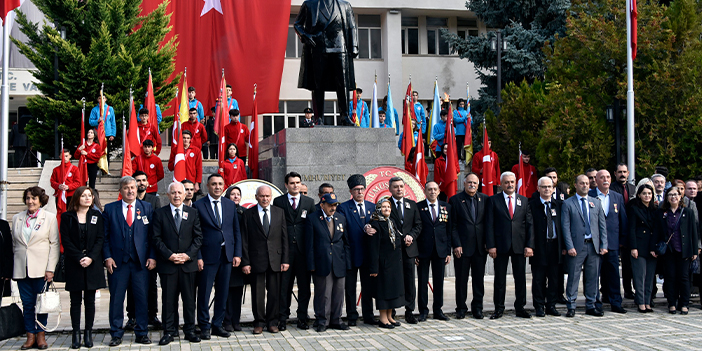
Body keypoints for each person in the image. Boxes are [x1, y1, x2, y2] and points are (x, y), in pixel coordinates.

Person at [102, 176, 156, 346]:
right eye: (126, 188)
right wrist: (107, 257)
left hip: (141, 263)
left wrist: (152, 256)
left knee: (141, 298)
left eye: (133, 187)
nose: (131, 190)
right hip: (118, 263)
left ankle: (141, 332)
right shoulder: (110, 209)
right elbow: (104, 237)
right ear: (121, 190)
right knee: (117, 299)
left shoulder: (146, 207)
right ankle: (116, 333)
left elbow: (153, 236)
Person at [151, 182, 202, 345]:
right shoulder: (159, 214)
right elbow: (156, 239)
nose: (177, 195)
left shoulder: (193, 213)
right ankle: (169, 331)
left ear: (185, 194)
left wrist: (187, 255)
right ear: (168, 195)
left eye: (180, 192)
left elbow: (198, 238)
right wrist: (170, 255)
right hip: (168, 265)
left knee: (189, 300)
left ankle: (189, 331)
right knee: (168, 300)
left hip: (188, 265)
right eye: (173, 193)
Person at [193, 174, 242, 339]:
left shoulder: (229, 204)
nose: (217, 187)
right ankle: (204, 326)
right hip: (207, 257)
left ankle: (217, 325)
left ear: (224, 186)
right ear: (208, 186)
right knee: (205, 293)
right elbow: (195, 234)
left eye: (220, 184)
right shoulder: (198, 205)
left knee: (223, 293)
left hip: (227, 255)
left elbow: (235, 231)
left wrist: (237, 253)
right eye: (214, 184)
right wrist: (198, 256)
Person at [294, 0, 357, 126]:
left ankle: (345, 116)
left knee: (342, 83)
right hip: (318, 46)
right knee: (318, 84)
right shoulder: (309, 4)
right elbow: (297, 25)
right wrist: (305, 35)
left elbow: (351, 26)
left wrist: (354, 46)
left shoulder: (345, 5)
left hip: (340, 46)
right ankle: (319, 118)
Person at [12, 186, 59, 350]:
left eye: (33, 198)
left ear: (40, 201)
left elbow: (54, 244)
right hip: (21, 267)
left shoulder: (49, 218)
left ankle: (41, 335)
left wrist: (50, 268)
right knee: (27, 303)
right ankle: (29, 335)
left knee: (41, 304)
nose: (30, 201)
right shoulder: (17, 218)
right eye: (28, 198)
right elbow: (14, 244)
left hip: (41, 268)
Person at [60, 186, 105, 348]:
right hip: (75, 262)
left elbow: (100, 239)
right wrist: (80, 257)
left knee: (90, 300)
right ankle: (76, 334)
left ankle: (88, 333)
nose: (87, 198)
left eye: (90, 195)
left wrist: (91, 257)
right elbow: (66, 240)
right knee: (75, 301)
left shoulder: (97, 216)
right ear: (77, 198)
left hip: (92, 263)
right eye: (84, 195)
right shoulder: (67, 217)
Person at [241, 185, 289, 334]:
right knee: (257, 294)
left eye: (267, 196)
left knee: (274, 293)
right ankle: (259, 322)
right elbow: (244, 240)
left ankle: (272, 322)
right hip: (256, 260)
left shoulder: (279, 212)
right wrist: (246, 262)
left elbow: (284, 238)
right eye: (262, 196)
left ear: (271, 197)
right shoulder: (248, 214)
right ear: (256, 197)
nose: (265, 199)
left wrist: (285, 260)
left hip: (275, 259)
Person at [486, 172, 533, 319]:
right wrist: (491, 245)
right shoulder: (493, 200)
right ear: (501, 184)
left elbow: (529, 225)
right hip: (500, 246)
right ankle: (498, 309)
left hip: (519, 246)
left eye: (512, 182)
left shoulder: (524, 201)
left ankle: (520, 308)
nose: (510, 185)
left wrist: (529, 245)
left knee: (520, 279)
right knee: (500, 279)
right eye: (506, 182)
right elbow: (489, 225)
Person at [273, 172, 315, 331]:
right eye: (292, 183)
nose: (295, 185)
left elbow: (312, 228)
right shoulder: (278, 202)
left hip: (303, 253)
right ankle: (282, 318)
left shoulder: (309, 202)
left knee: (304, 288)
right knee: (284, 287)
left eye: (297, 182)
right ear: (286, 185)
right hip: (285, 252)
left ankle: (302, 318)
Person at [562, 174, 608, 317]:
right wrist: (569, 246)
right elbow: (565, 227)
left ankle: (591, 305)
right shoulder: (568, 203)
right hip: (577, 247)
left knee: (593, 277)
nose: (585, 186)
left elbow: (602, 226)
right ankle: (571, 305)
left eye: (587, 183)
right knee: (573, 276)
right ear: (576, 185)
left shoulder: (596, 203)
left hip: (593, 246)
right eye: (582, 183)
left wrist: (603, 244)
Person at [306, 193, 351, 332]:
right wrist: (311, 264)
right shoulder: (312, 219)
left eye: (335, 204)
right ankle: (322, 321)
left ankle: (336, 320)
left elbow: (346, 242)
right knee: (323, 294)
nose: (333, 208)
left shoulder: (341, 218)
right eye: (330, 205)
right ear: (322, 205)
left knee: (338, 293)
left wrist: (347, 263)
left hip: (339, 262)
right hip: (322, 262)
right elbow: (309, 245)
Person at [336, 174, 376, 326]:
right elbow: (343, 232)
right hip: (351, 253)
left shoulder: (372, 207)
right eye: (356, 190)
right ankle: (352, 315)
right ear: (350, 192)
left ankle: (368, 315)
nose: (360, 192)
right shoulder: (343, 207)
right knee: (350, 288)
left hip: (368, 255)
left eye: (362, 189)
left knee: (368, 287)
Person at [449, 173, 488, 319]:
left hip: (479, 248)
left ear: (478, 185)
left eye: (475, 183)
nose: (472, 185)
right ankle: (460, 308)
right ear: (464, 183)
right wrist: (456, 244)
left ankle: (478, 307)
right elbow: (453, 226)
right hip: (462, 248)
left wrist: (488, 243)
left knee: (478, 280)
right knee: (461, 280)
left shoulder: (485, 199)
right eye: (469, 182)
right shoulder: (455, 200)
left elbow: (488, 224)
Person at [125, 171, 160, 331]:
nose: (141, 183)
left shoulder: (154, 200)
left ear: (148, 182)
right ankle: (131, 316)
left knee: (152, 285)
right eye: (138, 180)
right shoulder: (127, 200)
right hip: (131, 253)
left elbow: (156, 227)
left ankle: (152, 314)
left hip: (149, 251)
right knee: (131, 286)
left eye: (143, 180)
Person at [588, 170, 628, 313]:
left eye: (608, 177)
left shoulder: (617, 197)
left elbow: (622, 219)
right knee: (594, 274)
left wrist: (622, 239)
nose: (605, 179)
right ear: (596, 180)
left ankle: (616, 302)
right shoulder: (590, 195)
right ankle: (595, 303)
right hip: (594, 243)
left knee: (613, 274)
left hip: (612, 242)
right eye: (602, 177)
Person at [656, 186, 699, 314]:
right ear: (667, 198)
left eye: (676, 194)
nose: (673, 197)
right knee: (670, 277)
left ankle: (684, 303)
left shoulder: (687, 212)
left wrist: (695, 251)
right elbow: (658, 231)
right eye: (670, 195)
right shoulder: (662, 213)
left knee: (684, 277)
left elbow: (694, 232)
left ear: (680, 197)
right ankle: (672, 303)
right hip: (669, 251)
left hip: (684, 250)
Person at [386, 177, 422, 323]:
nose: (399, 189)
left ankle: (409, 311)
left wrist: (411, 236)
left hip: (409, 250)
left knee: (409, 281)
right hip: (392, 250)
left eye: (401, 186)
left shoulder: (412, 205)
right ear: (390, 189)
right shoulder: (385, 204)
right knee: (393, 280)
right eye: (396, 187)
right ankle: (392, 311)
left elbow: (418, 225)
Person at [416, 182, 452, 321]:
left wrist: (448, 251)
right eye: (429, 189)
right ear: (425, 191)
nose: (432, 192)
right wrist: (415, 253)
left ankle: (438, 310)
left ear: (439, 191)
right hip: (423, 250)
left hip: (440, 250)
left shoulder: (446, 206)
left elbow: (448, 231)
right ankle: (423, 311)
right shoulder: (418, 207)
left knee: (439, 282)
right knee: (422, 282)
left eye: (434, 189)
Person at [529, 177, 563, 317]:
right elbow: (529, 228)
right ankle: (539, 306)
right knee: (539, 279)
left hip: (555, 246)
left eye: (549, 187)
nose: (547, 189)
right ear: (538, 188)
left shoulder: (559, 205)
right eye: (543, 187)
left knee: (554, 278)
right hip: (538, 247)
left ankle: (551, 305)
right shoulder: (531, 205)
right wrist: (529, 246)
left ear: (553, 189)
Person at [368, 198, 404, 329]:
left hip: (394, 265)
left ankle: (390, 316)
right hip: (382, 265)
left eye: (388, 207)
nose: (386, 209)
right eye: (383, 207)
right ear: (378, 209)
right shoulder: (375, 224)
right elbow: (374, 248)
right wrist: (374, 268)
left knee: (392, 291)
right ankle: (383, 319)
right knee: (383, 292)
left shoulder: (391, 222)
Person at [627, 184, 659, 313]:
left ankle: (647, 301)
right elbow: (631, 229)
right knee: (640, 276)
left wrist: (655, 247)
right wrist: (633, 247)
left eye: (649, 193)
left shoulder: (655, 210)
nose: (647, 196)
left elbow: (657, 230)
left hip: (652, 247)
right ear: (639, 195)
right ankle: (640, 302)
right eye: (644, 193)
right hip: (639, 246)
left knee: (650, 277)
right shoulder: (634, 209)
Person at [610, 163, 636, 300]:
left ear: (629, 172)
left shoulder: (633, 188)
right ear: (615, 173)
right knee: (614, 264)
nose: (622, 174)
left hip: (630, 229)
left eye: (624, 172)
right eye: (619, 172)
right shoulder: (612, 189)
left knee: (629, 264)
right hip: (616, 230)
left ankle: (629, 290)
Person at [223, 186, 247, 332]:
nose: (236, 196)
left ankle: (236, 320)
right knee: (226, 291)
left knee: (238, 291)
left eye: (238, 194)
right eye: (232, 194)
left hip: (240, 256)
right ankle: (227, 321)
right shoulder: (224, 210)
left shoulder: (244, 212)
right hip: (226, 256)